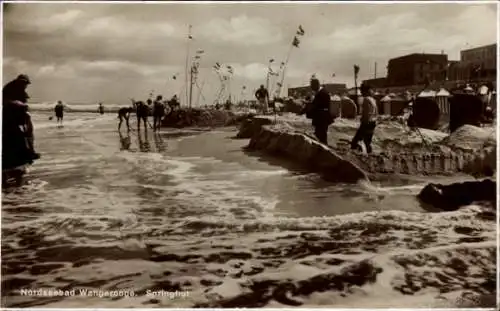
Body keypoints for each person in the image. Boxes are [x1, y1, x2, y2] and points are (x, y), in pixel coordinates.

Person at [2, 74, 40, 165]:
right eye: (25, 83)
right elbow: (5, 101)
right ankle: (23, 154)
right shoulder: (8, 89)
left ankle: (28, 152)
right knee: (18, 134)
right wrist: (20, 105)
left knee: (27, 133)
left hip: (19, 115)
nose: (26, 86)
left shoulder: (19, 90)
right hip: (10, 115)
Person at [302, 77, 334, 145]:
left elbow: (316, 106)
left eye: (312, 86)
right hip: (321, 118)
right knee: (320, 136)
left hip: (322, 118)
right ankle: (323, 151)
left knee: (321, 137)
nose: (311, 88)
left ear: (316, 85)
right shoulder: (321, 92)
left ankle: (324, 152)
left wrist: (305, 109)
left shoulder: (322, 93)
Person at [351, 83, 378, 154]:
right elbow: (376, 113)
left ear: (365, 91)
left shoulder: (366, 99)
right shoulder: (373, 99)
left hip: (366, 123)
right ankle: (370, 156)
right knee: (367, 142)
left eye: (361, 91)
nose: (361, 92)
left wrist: (363, 121)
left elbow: (367, 114)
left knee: (355, 142)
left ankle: (357, 158)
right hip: (373, 123)